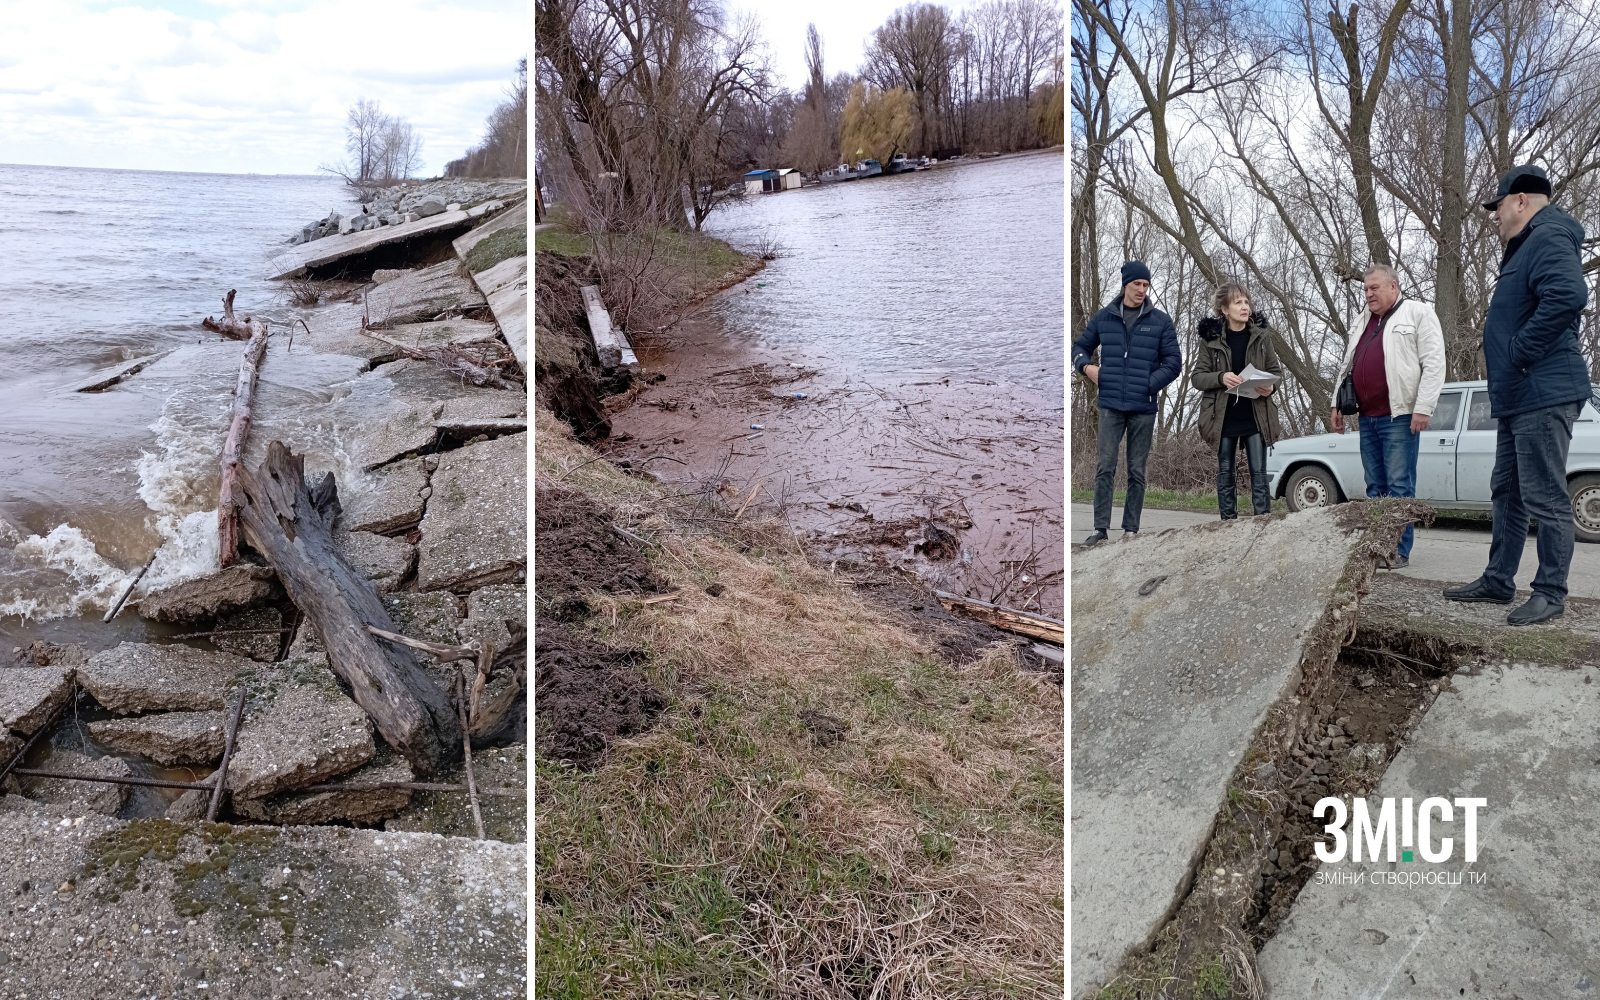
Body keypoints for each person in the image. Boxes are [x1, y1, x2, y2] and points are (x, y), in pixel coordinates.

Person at [1442, 164, 1590, 625]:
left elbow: (1568, 295)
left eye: (1499, 205)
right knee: (1507, 490)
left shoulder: (1548, 235)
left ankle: (1550, 592)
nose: (1494, 216)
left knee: (1545, 494)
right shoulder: (1526, 245)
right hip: (1519, 393)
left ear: (1521, 201)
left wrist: (1518, 351)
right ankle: (1498, 579)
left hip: (1543, 388)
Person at [1328, 265, 1447, 569]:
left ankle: (1397, 550)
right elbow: (1346, 366)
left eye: (1374, 288)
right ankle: (1377, 547)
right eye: (1365, 289)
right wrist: (1336, 404)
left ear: (1393, 286)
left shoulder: (1418, 313)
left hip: (1400, 416)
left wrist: (1423, 407)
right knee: (1374, 487)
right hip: (1367, 417)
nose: (1368, 294)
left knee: (1398, 486)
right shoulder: (1362, 321)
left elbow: (1434, 363)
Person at [1073, 261, 1182, 547]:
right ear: (1126, 285)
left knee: (1136, 470)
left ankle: (1130, 530)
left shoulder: (1160, 321)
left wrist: (1148, 384)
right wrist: (1087, 368)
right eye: (1137, 284)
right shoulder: (1104, 317)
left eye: (1146, 285)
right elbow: (1079, 347)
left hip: (1143, 408)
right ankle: (1100, 530)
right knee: (1105, 467)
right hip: (1110, 404)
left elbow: (1174, 363)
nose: (1142, 290)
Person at [1192, 283, 1283, 518]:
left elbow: (1276, 372)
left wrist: (1271, 387)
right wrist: (1221, 377)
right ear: (1224, 309)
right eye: (1238, 302)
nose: (1245, 307)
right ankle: (1227, 523)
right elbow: (1197, 378)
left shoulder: (1261, 337)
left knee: (1259, 472)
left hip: (1256, 413)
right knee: (1225, 472)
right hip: (1223, 416)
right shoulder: (1210, 341)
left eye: (1246, 302)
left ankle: (1262, 521)